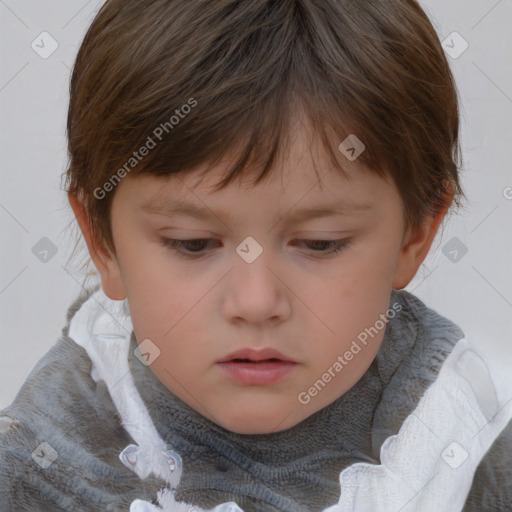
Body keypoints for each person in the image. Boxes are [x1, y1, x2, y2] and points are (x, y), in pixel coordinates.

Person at [1, 1, 511, 511]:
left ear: (414, 235)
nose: (256, 301)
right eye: (193, 243)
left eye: (320, 243)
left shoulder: (469, 443)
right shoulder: (39, 470)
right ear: (102, 240)